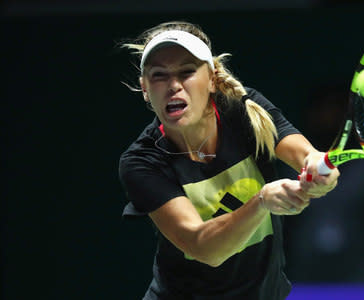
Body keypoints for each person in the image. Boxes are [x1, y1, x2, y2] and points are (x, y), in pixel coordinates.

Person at [118, 21, 340, 300]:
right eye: (159, 75)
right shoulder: (142, 162)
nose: (173, 85)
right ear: (145, 89)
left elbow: (305, 156)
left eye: (187, 72)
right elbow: (203, 248)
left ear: (211, 79)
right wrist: (262, 201)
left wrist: (319, 172)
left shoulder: (243, 111)